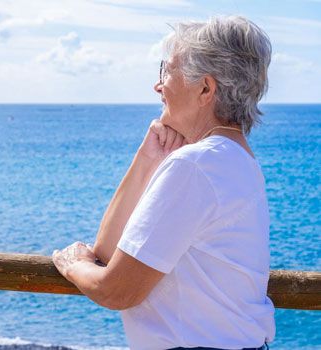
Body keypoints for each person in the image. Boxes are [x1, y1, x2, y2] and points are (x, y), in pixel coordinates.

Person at [52, 16, 275, 350]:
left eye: (166, 71)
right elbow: (108, 253)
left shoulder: (196, 165)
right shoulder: (235, 159)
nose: (158, 86)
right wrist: (147, 159)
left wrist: (73, 266)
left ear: (205, 88)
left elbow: (117, 290)